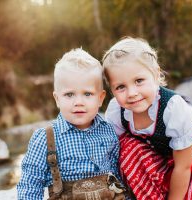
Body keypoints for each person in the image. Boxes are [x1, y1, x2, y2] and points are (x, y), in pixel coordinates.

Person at [103, 37, 192, 200]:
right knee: (124, 146)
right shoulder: (117, 110)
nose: (131, 93)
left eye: (139, 81)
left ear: (156, 74)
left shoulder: (173, 108)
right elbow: (111, 153)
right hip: (162, 155)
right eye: (120, 87)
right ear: (111, 89)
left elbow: (183, 167)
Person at [17, 48, 125, 200]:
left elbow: (117, 177)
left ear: (100, 98)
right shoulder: (45, 139)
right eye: (69, 94)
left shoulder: (108, 131)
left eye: (87, 94)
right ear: (57, 99)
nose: (78, 102)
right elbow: (30, 184)